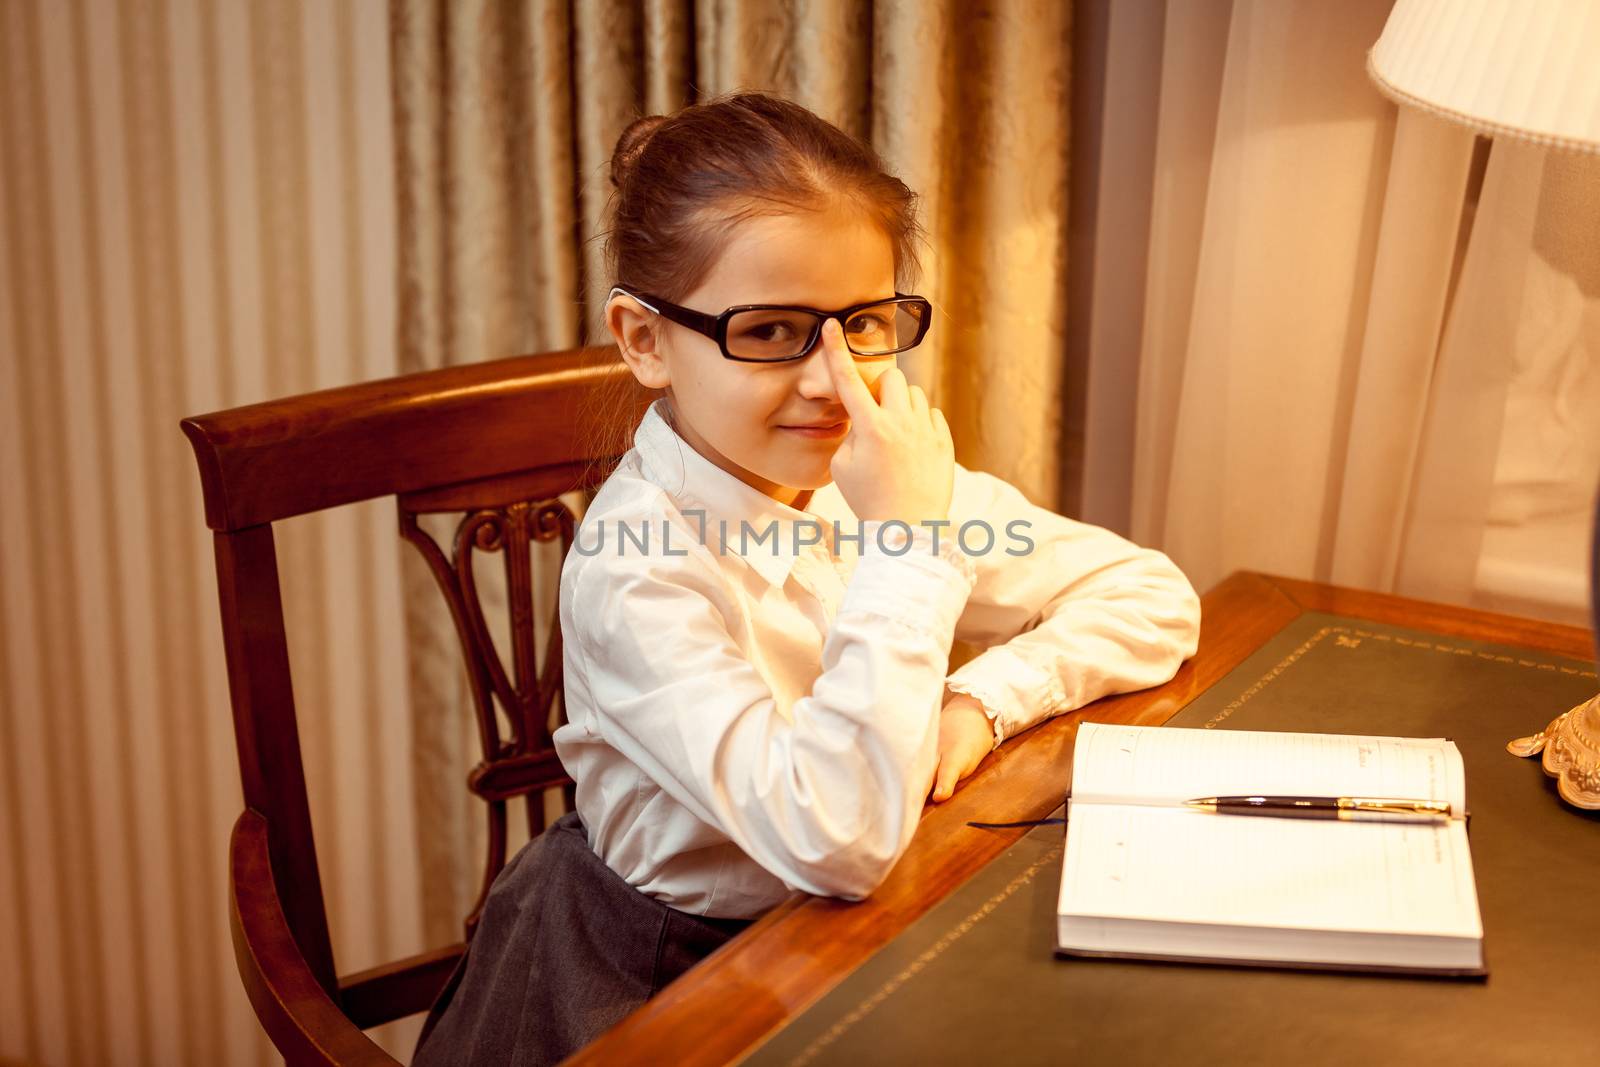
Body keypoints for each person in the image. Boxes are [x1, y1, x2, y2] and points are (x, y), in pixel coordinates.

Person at [413, 90, 1201, 1066]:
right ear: (644, 339)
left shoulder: (864, 476)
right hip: (665, 972)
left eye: (862, 324)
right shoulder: (637, 570)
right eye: (773, 331)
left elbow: (1149, 593)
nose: (835, 382)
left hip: (851, 932)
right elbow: (838, 835)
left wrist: (975, 702)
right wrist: (908, 548)